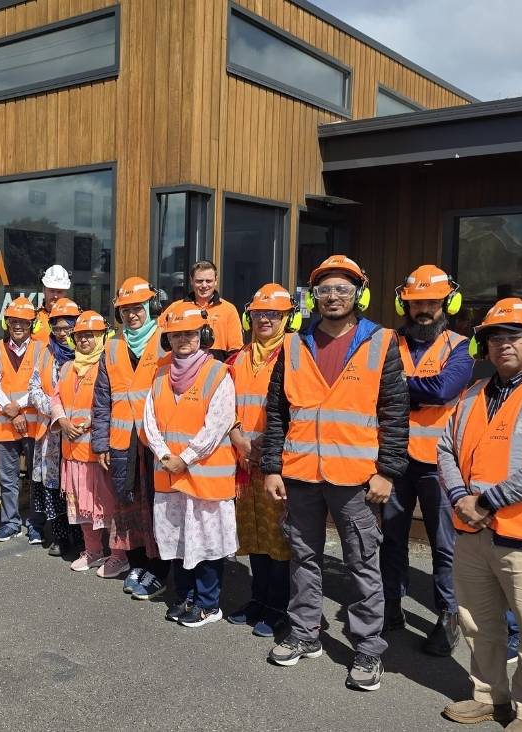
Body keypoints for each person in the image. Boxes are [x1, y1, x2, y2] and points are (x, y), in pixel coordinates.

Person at [260, 254, 409, 692]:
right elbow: (276, 414)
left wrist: (388, 472)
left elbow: (396, 413)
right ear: (314, 296)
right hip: (302, 474)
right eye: (325, 289)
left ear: (358, 294)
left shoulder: (381, 342)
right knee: (303, 557)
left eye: (342, 289)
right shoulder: (292, 344)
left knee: (362, 562)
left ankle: (367, 648)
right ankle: (306, 634)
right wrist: (272, 467)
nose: (333, 296)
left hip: (356, 478)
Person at [437, 297, 522, 732]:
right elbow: (446, 448)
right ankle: (489, 697)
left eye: (514, 336)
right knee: (479, 624)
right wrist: (461, 496)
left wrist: (484, 502)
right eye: (494, 338)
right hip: (472, 532)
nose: (503, 346)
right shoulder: (473, 393)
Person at [382, 265, 474, 656]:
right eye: (417, 302)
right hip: (394, 458)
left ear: (447, 303)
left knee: (444, 545)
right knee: (390, 539)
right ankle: (390, 607)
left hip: (440, 463)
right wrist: (411, 390)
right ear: (405, 303)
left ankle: (447, 616)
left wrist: (398, 386)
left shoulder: (461, 345)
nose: (424, 310)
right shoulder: (388, 341)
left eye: (432, 303)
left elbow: (442, 391)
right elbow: (372, 388)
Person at [143, 306, 239, 628]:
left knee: (208, 542)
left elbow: (218, 424)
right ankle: (185, 597)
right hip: (170, 474)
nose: (184, 339)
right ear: (168, 338)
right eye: (177, 334)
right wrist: (162, 453)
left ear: (203, 335)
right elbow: (149, 420)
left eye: (190, 333)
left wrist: (184, 458)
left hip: (203, 477)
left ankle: (209, 604)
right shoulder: (159, 372)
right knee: (179, 539)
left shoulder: (218, 372)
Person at [227, 284, 296, 638]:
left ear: (288, 317)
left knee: (278, 537)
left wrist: (266, 449)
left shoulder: (294, 355)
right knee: (253, 532)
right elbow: (226, 403)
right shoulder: (239, 357)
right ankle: (257, 599)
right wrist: (237, 435)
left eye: (273, 314)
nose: (265, 319)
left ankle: (278, 607)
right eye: (258, 314)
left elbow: (295, 411)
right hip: (243, 458)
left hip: (275, 461)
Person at [105, 276, 169, 600]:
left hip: (155, 440)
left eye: (138, 308)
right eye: (126, 310)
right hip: (121, 440)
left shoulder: (165, 341)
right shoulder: (112, 347)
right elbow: (102, 399)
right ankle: (137, 564)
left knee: (157, 505)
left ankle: (159, 571)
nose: (132, 315)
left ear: (151, 307)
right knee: (128, 504)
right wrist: (100, 442)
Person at [50, 311, 127, 577]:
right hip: (71, 451)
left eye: (90, 336)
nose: (84, 341)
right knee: (80, 505)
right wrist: (62, 421)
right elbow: (55, 398)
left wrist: (90, 425)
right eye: (80, 336)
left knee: (107, 506)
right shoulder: (67, 367)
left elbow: (111, 405)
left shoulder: (106, 366)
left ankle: (118, 555)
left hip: (96, 452)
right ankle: (93, 550)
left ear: (102, 337)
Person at [0, 296, 53, 542]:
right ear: (7, 322)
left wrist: (19, 407)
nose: (18, 326)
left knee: (37, 477)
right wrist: (11, 410)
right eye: (13, 321)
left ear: (33, 325)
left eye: (24, 322)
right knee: (7, 477)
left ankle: (35, 524)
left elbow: (43, 384)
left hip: (34, 425)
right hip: (5, 424)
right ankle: (10, 523)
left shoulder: (42, 349)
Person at [28, 297, 83, 557]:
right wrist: (57, 413)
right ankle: (60, 537)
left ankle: (83, 539)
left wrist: (72, 416)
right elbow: (34, 388)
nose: (63, 333)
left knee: (78, 485)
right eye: (58, 328)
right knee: (53, 485)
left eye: (68, 327)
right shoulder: (44, 353)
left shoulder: (90, 353)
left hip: (79, 432)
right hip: (51, 433)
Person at [167, 260, 243, 361]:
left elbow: (235, 351)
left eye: (208, 281)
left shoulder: (229, 309)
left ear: (216, 281)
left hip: (215, 371)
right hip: (182, 369)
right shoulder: (175, 308)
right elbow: (161, 340)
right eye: (199, 281)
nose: (204, 285)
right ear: (191, 281)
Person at [33, 264, 72, 343]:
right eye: (52, 291)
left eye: (59, 291)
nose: (55, 296)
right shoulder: (33, 318)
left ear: (65, 293)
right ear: (43, 290)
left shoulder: (77, 318)